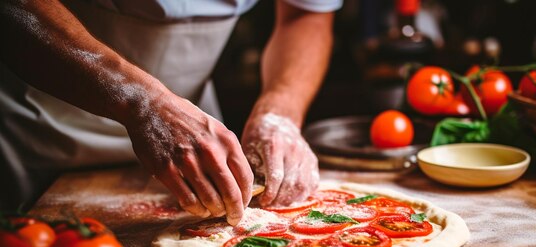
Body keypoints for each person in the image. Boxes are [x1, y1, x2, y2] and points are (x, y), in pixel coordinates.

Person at [0, 0, 341, 225]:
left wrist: (279, 110)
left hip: (191, 122)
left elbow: (305, 13)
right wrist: (143, 101)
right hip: (39, 113)